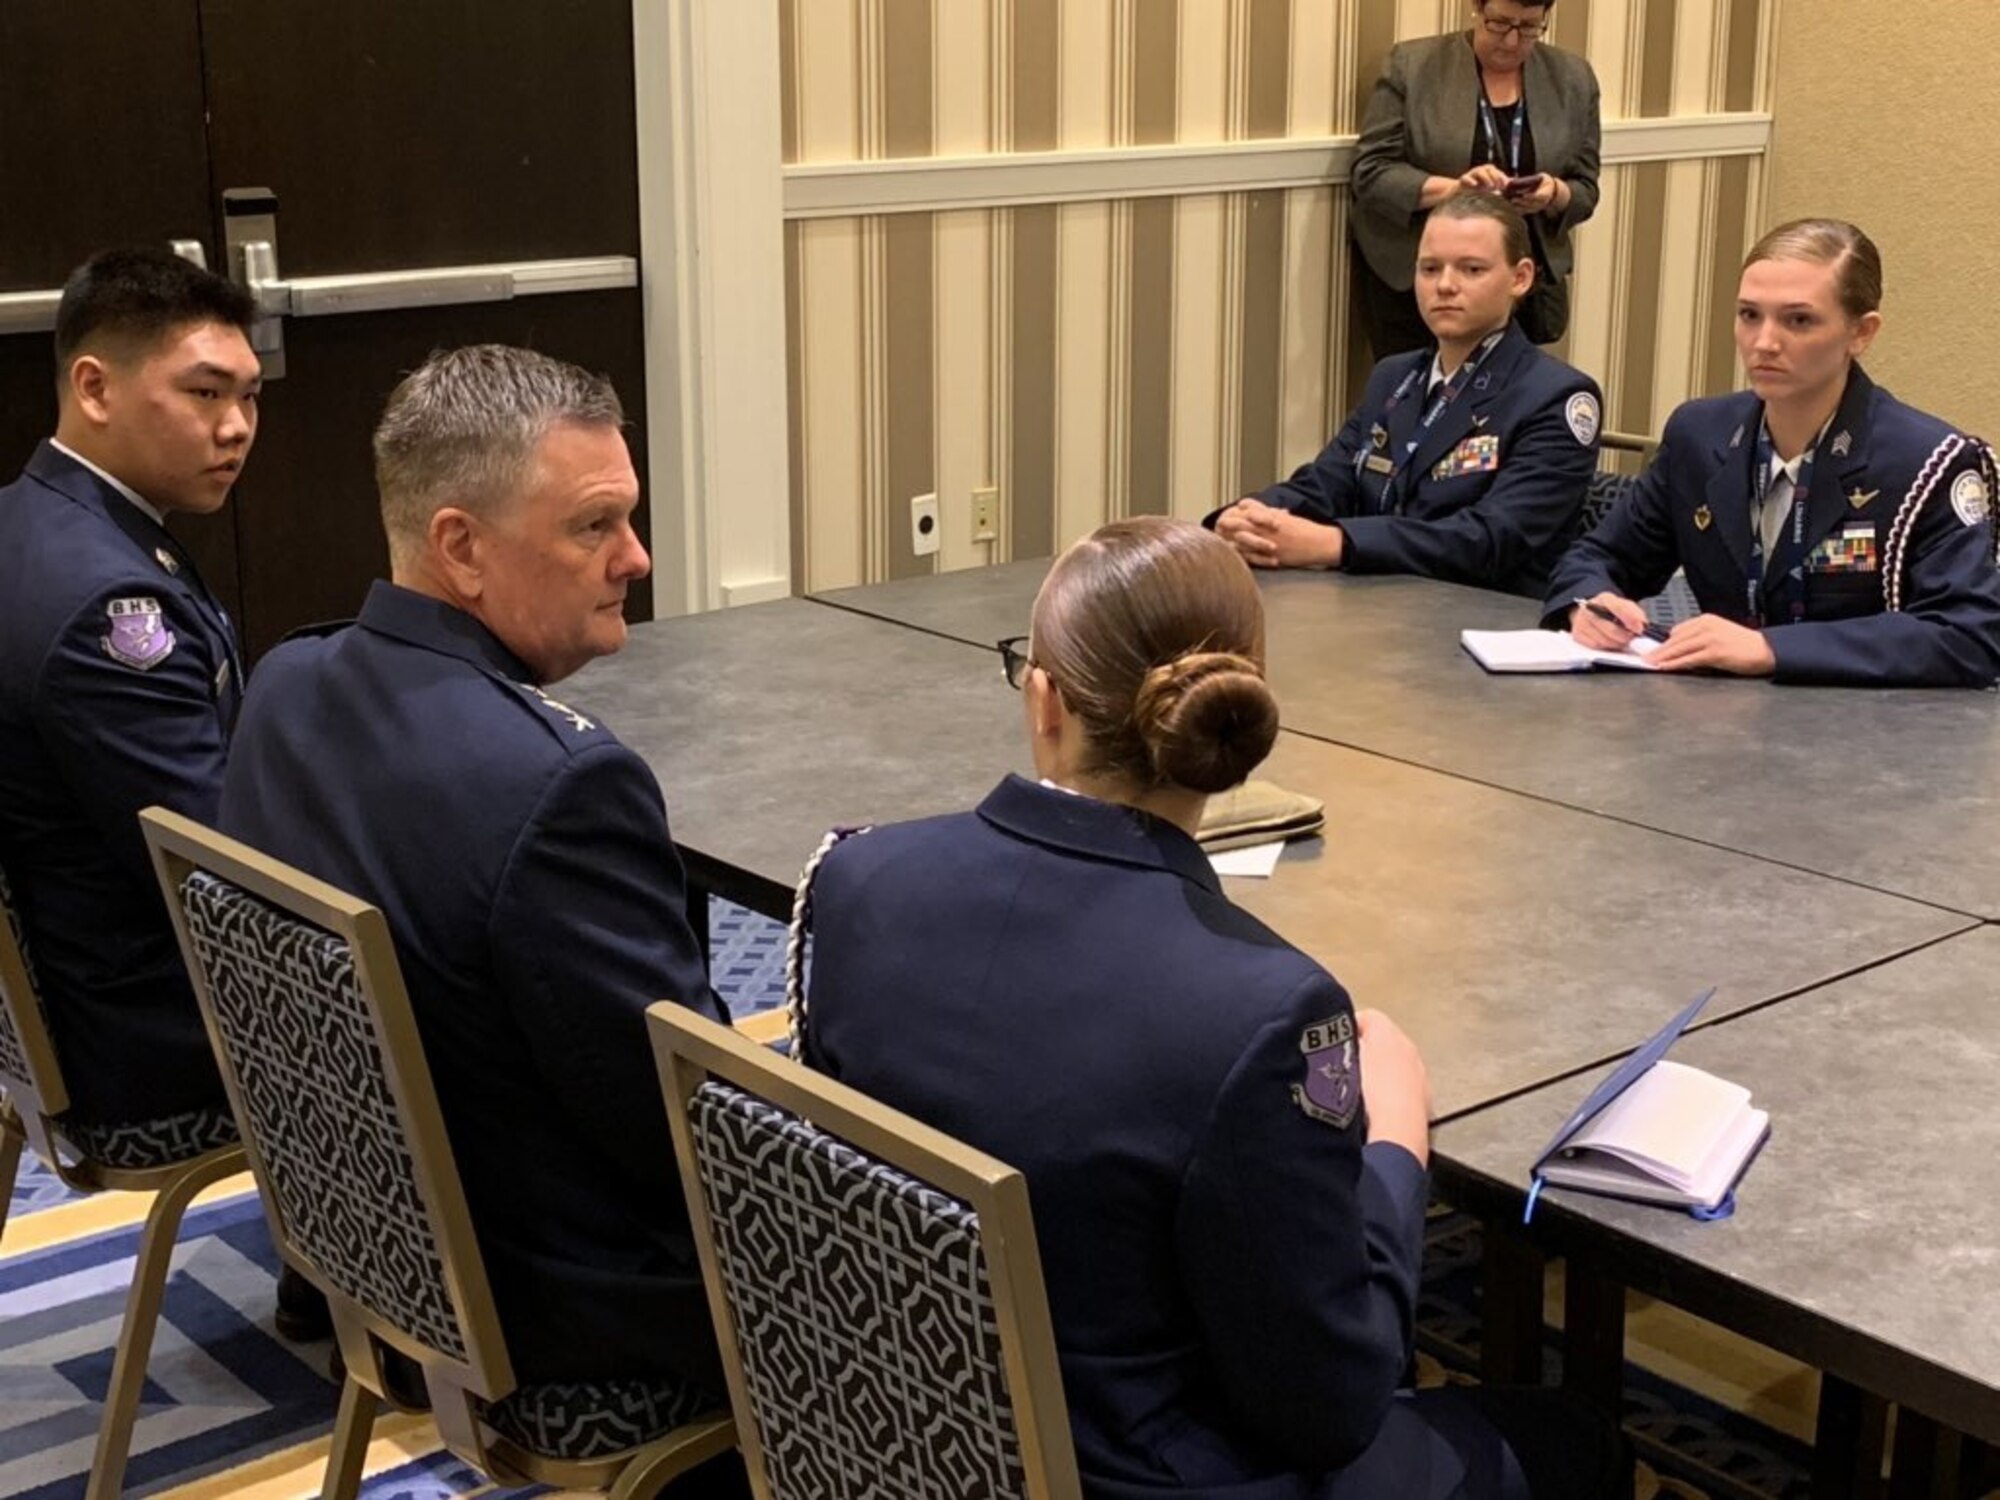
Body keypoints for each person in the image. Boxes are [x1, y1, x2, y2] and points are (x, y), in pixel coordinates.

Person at [796, 516, 1629, 1499]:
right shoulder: (1262, 1010)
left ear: (1043, 699)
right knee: (1570, 1444)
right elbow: (1329, 1404)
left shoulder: (856, 882)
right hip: (1137, 1475)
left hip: (897, 1435)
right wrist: (1395, 1147)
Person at [218, 346, 730, 1426]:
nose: (634, 557)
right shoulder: (560, 787)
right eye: (593, 527)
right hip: (551, 1325)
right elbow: (687, 1129)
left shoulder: (286, 682)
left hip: (361, 1258)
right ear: (460, 547)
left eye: (629, 519)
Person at [0, 247, 259, 1138]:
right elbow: (219, 873)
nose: (236, 427)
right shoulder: (108, 612)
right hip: (155, 1035)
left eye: (248, 396)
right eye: (204, 393)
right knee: (470, 997)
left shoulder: (31, 519)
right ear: (95, 388)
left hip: (80, 982)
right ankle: (344, 1276)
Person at [1548, 218, 2000, 687]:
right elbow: (1597, 557)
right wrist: (1591, 602)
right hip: (1715, 725)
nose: (1764, 343)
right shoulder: (1699, 435)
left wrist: (1771, 648)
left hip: (1871, 736)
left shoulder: (1928, 461)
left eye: (1798, 320)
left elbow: (1967, 636)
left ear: (1861, 334)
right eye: (1749, 315)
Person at [1210, 192, 1600, 597]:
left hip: (1485, 621)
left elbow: (1492, 540)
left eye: (1471, 269)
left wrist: (1336, 544)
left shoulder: (1556, 396)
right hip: (1375, 604)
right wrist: (1248, 518)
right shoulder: (1394, 376)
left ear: (1520, 278)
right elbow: (1327, 483)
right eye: (1430, 269)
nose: (1445, 286)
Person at [1351, 0, 1600, 358]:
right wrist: (1454, 191)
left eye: (1529, 27)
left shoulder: (1574, 78)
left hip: (1520, 288)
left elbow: (1585, 189)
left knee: (1511, 407)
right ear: (1476, 9)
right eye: (1499, 23)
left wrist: (1553, 193)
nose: (1512, 41)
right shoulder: (1412, 65)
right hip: (1422, 286)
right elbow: (1371, 171)